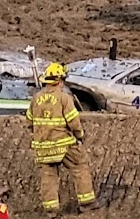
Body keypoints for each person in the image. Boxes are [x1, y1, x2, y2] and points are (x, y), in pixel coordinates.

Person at [27, 62, 97, 213]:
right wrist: (80, 136)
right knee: (79, 167)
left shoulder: (36, 99)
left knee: (48, 177)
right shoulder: (64, 98)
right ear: (59, 81)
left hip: (42, 148)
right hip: (64, 144)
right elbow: (73, 121)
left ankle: (51, 210)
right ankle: (87, 203)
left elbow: (29, 122)